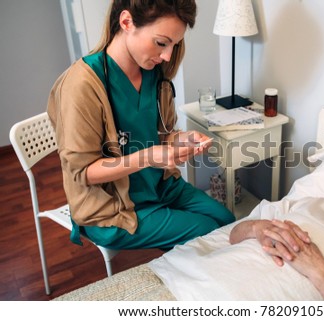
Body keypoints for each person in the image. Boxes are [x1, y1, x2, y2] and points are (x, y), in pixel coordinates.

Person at [47, 0, 235, 250]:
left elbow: (162, 135)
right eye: (161, 43)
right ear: (126, 22)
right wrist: (147, 157)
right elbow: (83, 173)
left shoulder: (154, 74)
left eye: (174, 45)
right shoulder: (81, 85)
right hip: (111, 207)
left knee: (227, 221)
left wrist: (181, 140)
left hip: (161, 186)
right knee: (208, 233)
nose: (167, 55)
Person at [147, 150, 324, 300]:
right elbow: (234, 233)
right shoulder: (313, 204)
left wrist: (319, 269)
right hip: (195, 280)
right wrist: (256, 228)